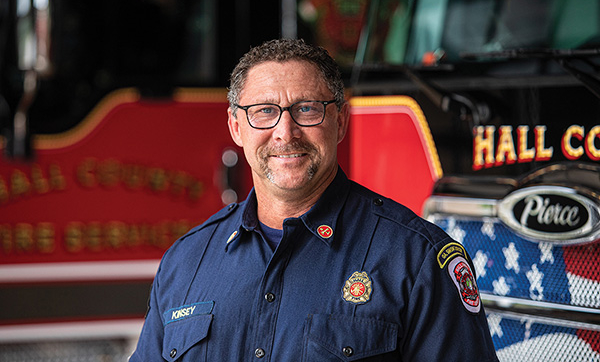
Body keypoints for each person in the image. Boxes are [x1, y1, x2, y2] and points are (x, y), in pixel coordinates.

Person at [129, 38, 499, 361]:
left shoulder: (417, 260)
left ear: (340, 121)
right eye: (264, 112)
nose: (285, 133)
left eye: (307, 108)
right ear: (236, 128)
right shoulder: (186, 261)